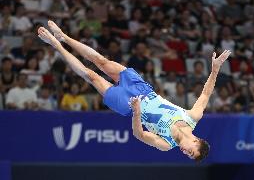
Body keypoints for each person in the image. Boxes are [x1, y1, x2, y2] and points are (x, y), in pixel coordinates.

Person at [38, 20, 231, 162]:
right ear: (197, 141)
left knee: (92, 76)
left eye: (188, 156)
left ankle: (56, 45)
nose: (185, 153)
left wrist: (137, 111)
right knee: (102, 62)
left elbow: (139, 134)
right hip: (143, 89)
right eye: (191, 152)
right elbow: (206, 94)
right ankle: (64, 37)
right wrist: (214, 69)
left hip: (129, 106)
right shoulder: (193, 117)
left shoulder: (166, 144)